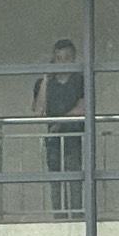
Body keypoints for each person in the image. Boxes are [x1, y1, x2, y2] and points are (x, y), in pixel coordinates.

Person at [35, 37, 84, 215]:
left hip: (76, 138)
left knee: (75, 177)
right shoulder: (43, 84)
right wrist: (46, 80)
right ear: (53, 59)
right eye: (59, 58)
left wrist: (60, 122)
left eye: (67, 58)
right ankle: (59, 215)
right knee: (55, 179)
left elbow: (82, 108)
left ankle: (77, 214)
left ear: (73, 59)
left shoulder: (80, 80)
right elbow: (39, 111)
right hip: (53, 141)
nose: (63, 62)